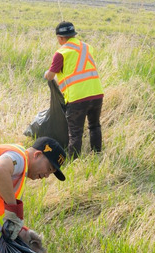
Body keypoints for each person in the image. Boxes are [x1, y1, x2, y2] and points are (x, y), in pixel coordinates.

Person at [44, 21, 105, 158]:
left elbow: (51, 76)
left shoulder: (61, 53)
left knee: (75, 133)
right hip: (97, 94)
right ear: (73, 35)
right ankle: (97, 155)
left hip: (77, 98)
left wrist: (46, 74)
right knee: (94, 126)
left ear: (60, 38)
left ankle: (74, 161)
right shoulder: (88, 47)